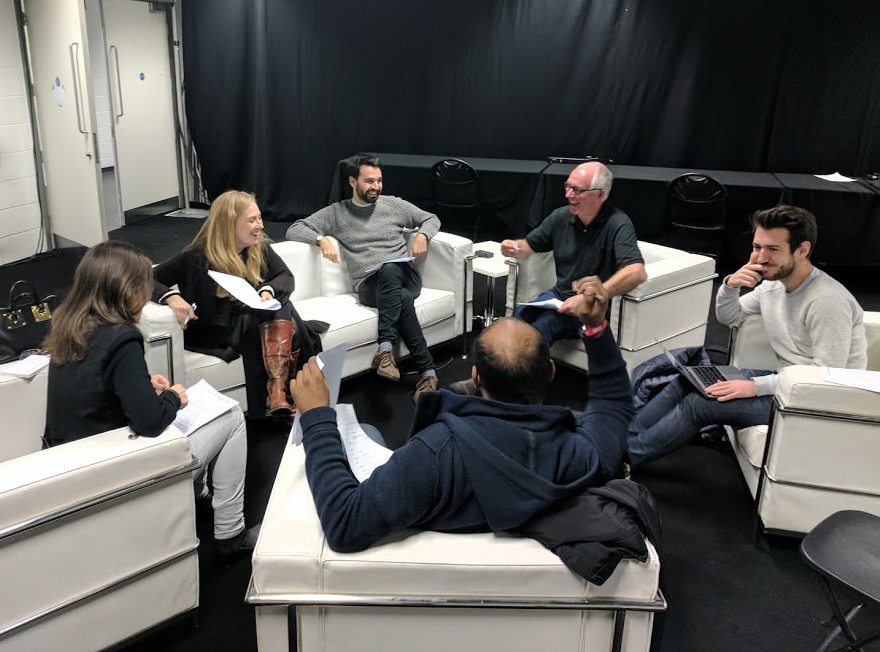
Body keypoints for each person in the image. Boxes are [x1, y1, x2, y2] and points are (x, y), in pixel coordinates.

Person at [290, 276, 635, 553]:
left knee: (366, 430)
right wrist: (596, 328)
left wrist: (318, 416)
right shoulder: (580, 455)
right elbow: (613, 402)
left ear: (476, 377)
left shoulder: (433, 454)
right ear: (550, 372)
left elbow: (345, 525)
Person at [43, 240, 257, 562]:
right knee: (231, 417)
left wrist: (142, 385)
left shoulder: (68, 323)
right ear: (126, 290)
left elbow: (90, 386)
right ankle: (230, 532)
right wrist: (173, 397)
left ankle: (197, 494)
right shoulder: (121, 337)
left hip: (70, 456)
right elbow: (151, 423)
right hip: (113, 467)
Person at [627, 205, 866, 467]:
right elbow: (730, 317)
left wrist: (755, 387)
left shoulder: (827, 301)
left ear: (802, 250)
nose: (760, 258)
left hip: (812, 399)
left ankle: (623, 461)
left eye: (772, 249)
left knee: (700, 404)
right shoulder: (774, 286)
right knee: (688, 380)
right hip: (786, 382)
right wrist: (730, 286)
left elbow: (825, 376)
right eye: (756, 247)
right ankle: (621, 439)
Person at [286, 154, 441, 402]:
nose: (376, 187)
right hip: (369, 285)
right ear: (352, 181)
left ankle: (385, 349)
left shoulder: (394, 205)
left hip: (404, 275)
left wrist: (422, 235)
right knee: (399, 297)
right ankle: (428, 373)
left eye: (379, 181)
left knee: (391, 270)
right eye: (369, 181)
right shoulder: (337, 213)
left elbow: (431, 218)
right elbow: (295, 228)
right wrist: (320, 239)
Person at [153, 191, 321, 419]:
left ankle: (278, 391)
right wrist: (171, 297)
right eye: (252, 220)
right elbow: (145, 278)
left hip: (249, 321)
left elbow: (285, 276)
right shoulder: (197, 256)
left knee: (278, 306)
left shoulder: (258, 247)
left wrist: (267, 290)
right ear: (229, 224)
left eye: (260, 218)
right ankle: (284, 393)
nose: (260, 226)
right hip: (213, 329)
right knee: (285, 315)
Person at [501, 161, 647, 345]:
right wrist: (513, 247)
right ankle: (504, 370)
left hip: (593, 306)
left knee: (543, 327)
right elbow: (528, 246)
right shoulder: (560, 216)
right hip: (559, 296)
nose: (568, 194)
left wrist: (590, 296)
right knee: (517, 317)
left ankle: (532, 372)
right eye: (568, 186)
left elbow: (637, 272)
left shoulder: (618, 223)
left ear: (599, 194)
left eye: (577, 190)